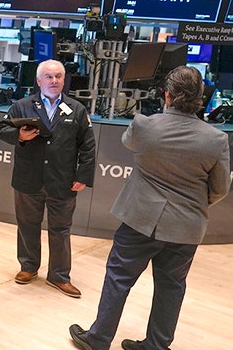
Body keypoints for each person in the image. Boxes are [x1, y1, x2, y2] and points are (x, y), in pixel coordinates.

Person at [69, 66, 230, 350]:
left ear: (166, 94)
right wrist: (192, 206)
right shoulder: (216, 139)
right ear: (200, 96)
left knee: (118, 279)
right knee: (172, 287)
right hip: (186, 227)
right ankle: (156, 346)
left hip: (139, 220)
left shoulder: (144, 125)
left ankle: (98, 339)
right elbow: (219, 190)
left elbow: (128, 141)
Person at [0, 59, 95, 298]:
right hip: (28, 178)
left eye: (58, 76)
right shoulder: (22, 106)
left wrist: (83, 176)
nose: (54, 81)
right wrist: (19, 135)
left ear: (64, 80)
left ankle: (59, 276)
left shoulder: (77, 109)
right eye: (49, 77)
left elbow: (88, 146)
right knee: (27, 225)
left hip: (63, 180)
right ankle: (28, 267)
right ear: (39, 81)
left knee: (60, 229)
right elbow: (2, 129)